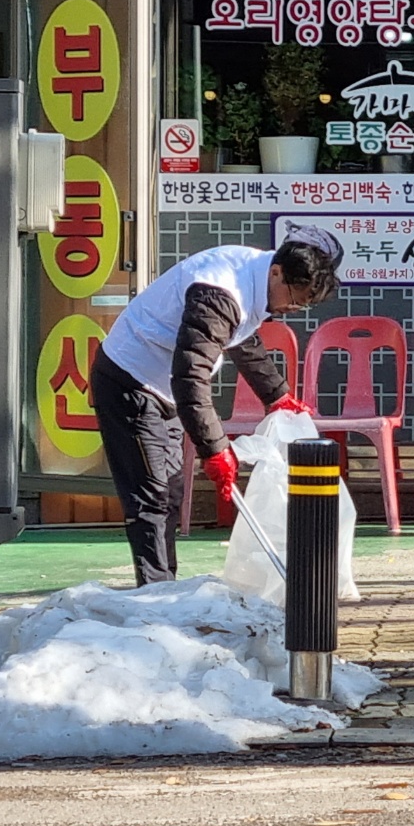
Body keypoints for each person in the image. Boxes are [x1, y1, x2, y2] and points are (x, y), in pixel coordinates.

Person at [91, 227, 343, 586]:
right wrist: (216, 449)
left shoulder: (257, 279)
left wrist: (276, 394)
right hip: (130, 381)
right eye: (294, 298)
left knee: (171, 493)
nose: (292, 308)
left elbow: (242, 338)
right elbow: (191, 374)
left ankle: (164, 587)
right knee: (151, 496)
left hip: (165, 390)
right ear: (278, 272)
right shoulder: (219, 290)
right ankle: (156, 599)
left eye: (303, 305)